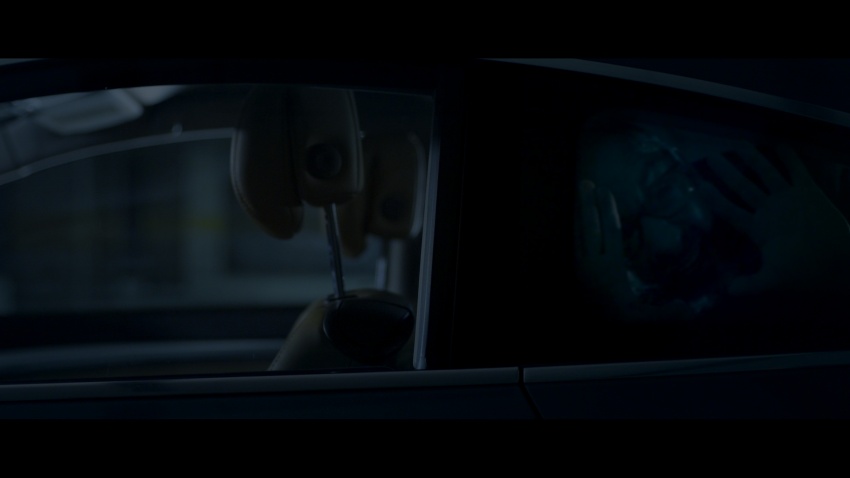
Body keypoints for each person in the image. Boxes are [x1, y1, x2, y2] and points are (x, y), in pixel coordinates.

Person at [575, 110, 850, 353]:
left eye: (662, 191)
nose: (665, 243)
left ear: (684, 168)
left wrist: (838, 274)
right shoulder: (615, 310)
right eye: (622, 233)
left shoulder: (793, 212)